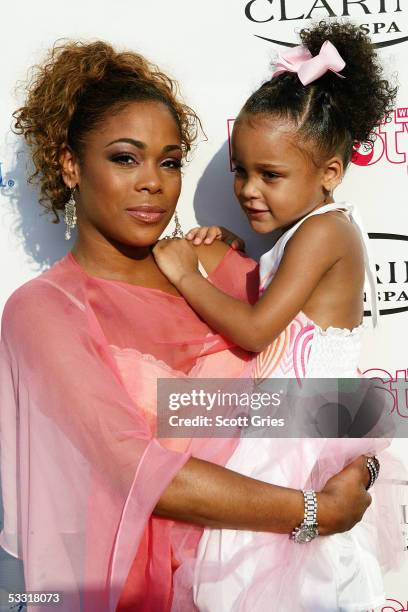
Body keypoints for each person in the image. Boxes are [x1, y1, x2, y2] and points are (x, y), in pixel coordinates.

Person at [0, 39, 375, 612]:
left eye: (170, 161)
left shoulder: (228, 271)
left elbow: (329, 386)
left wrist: (365, 469)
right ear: (70, 165)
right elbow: (138, 469)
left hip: (276, 582)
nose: (153, 181)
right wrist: (314, 511)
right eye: (125, 158)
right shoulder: (46, 310)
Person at [152, 21, 403, 612]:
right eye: (241, 170)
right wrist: (229, 247)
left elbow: (259, 329)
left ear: (331, 173)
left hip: (298, 435)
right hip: (281, 419)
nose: (247, 189)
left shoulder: (325, 231)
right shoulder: (303, 233)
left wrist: (186, 274)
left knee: (284, 581)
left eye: (271, 175)